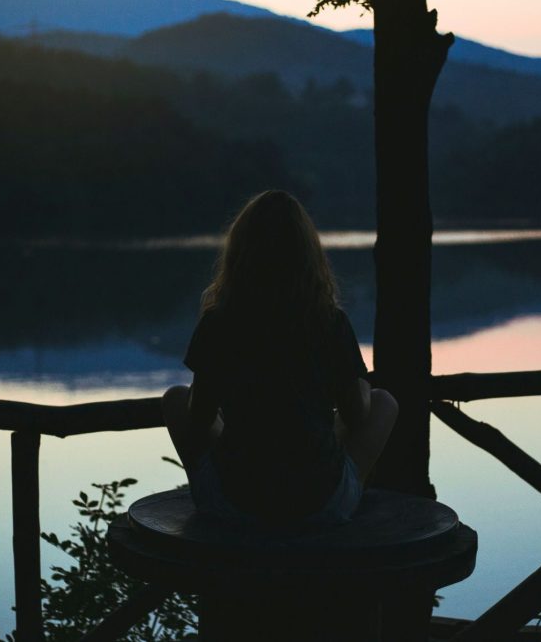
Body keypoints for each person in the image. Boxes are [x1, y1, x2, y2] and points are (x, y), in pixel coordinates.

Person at [162, 190, 398, 526]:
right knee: (384, 402)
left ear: (240, 252)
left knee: (175, 399)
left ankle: (217, 490)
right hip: (320, 507)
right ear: (308, 253)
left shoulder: (219, 322)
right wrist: (357, 382)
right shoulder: (328, 321)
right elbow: (358, 416)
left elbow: (198, 418)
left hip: (233, 504)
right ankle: (343, 495)